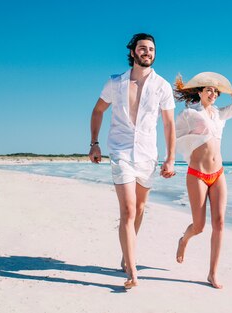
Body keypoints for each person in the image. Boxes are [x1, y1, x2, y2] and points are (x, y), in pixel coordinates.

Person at [88, 33, 177, 289]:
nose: (147, 52)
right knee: (127, 210)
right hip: (121, 152)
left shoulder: (162, 86)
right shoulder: (115, 83)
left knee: (139, 210)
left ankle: (126, 256)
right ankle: (133, 270)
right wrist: (94, 143)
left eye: (151, 49)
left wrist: (170, 158)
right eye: (142, 48)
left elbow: (169, 124)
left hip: (148, 154)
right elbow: (97, 111)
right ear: (133, 52)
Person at [173, 72, 232, 289]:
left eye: (215, 91)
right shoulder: (188, 114)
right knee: (199, 226)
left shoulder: (219, 114)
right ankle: (184, 240)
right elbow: (173, 137)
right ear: (199, 92)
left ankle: (212, 273)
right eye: (209, 90)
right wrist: (170, 159)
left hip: (218, 174)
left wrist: (228, 89)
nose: (213, 94)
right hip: (197, 173)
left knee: (220, 223)